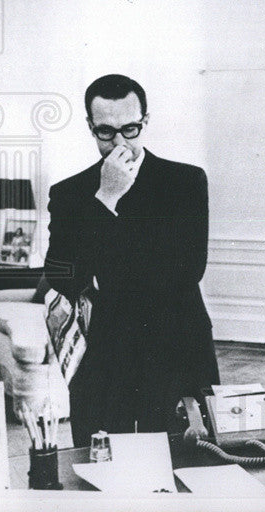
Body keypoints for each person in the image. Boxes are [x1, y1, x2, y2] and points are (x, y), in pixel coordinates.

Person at [46, 74, 218, 446]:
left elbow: (189, 269)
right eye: (106, 132)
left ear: (145, 122)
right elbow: (62, 276)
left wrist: (104, 269)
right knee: (102, 466)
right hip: (106, 351)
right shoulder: (70, 193)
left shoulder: (186, 182)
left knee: (190, 464)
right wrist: (105, 199)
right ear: (90, 127)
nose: (120, 142)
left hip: (177, 342)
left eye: (130, 129)